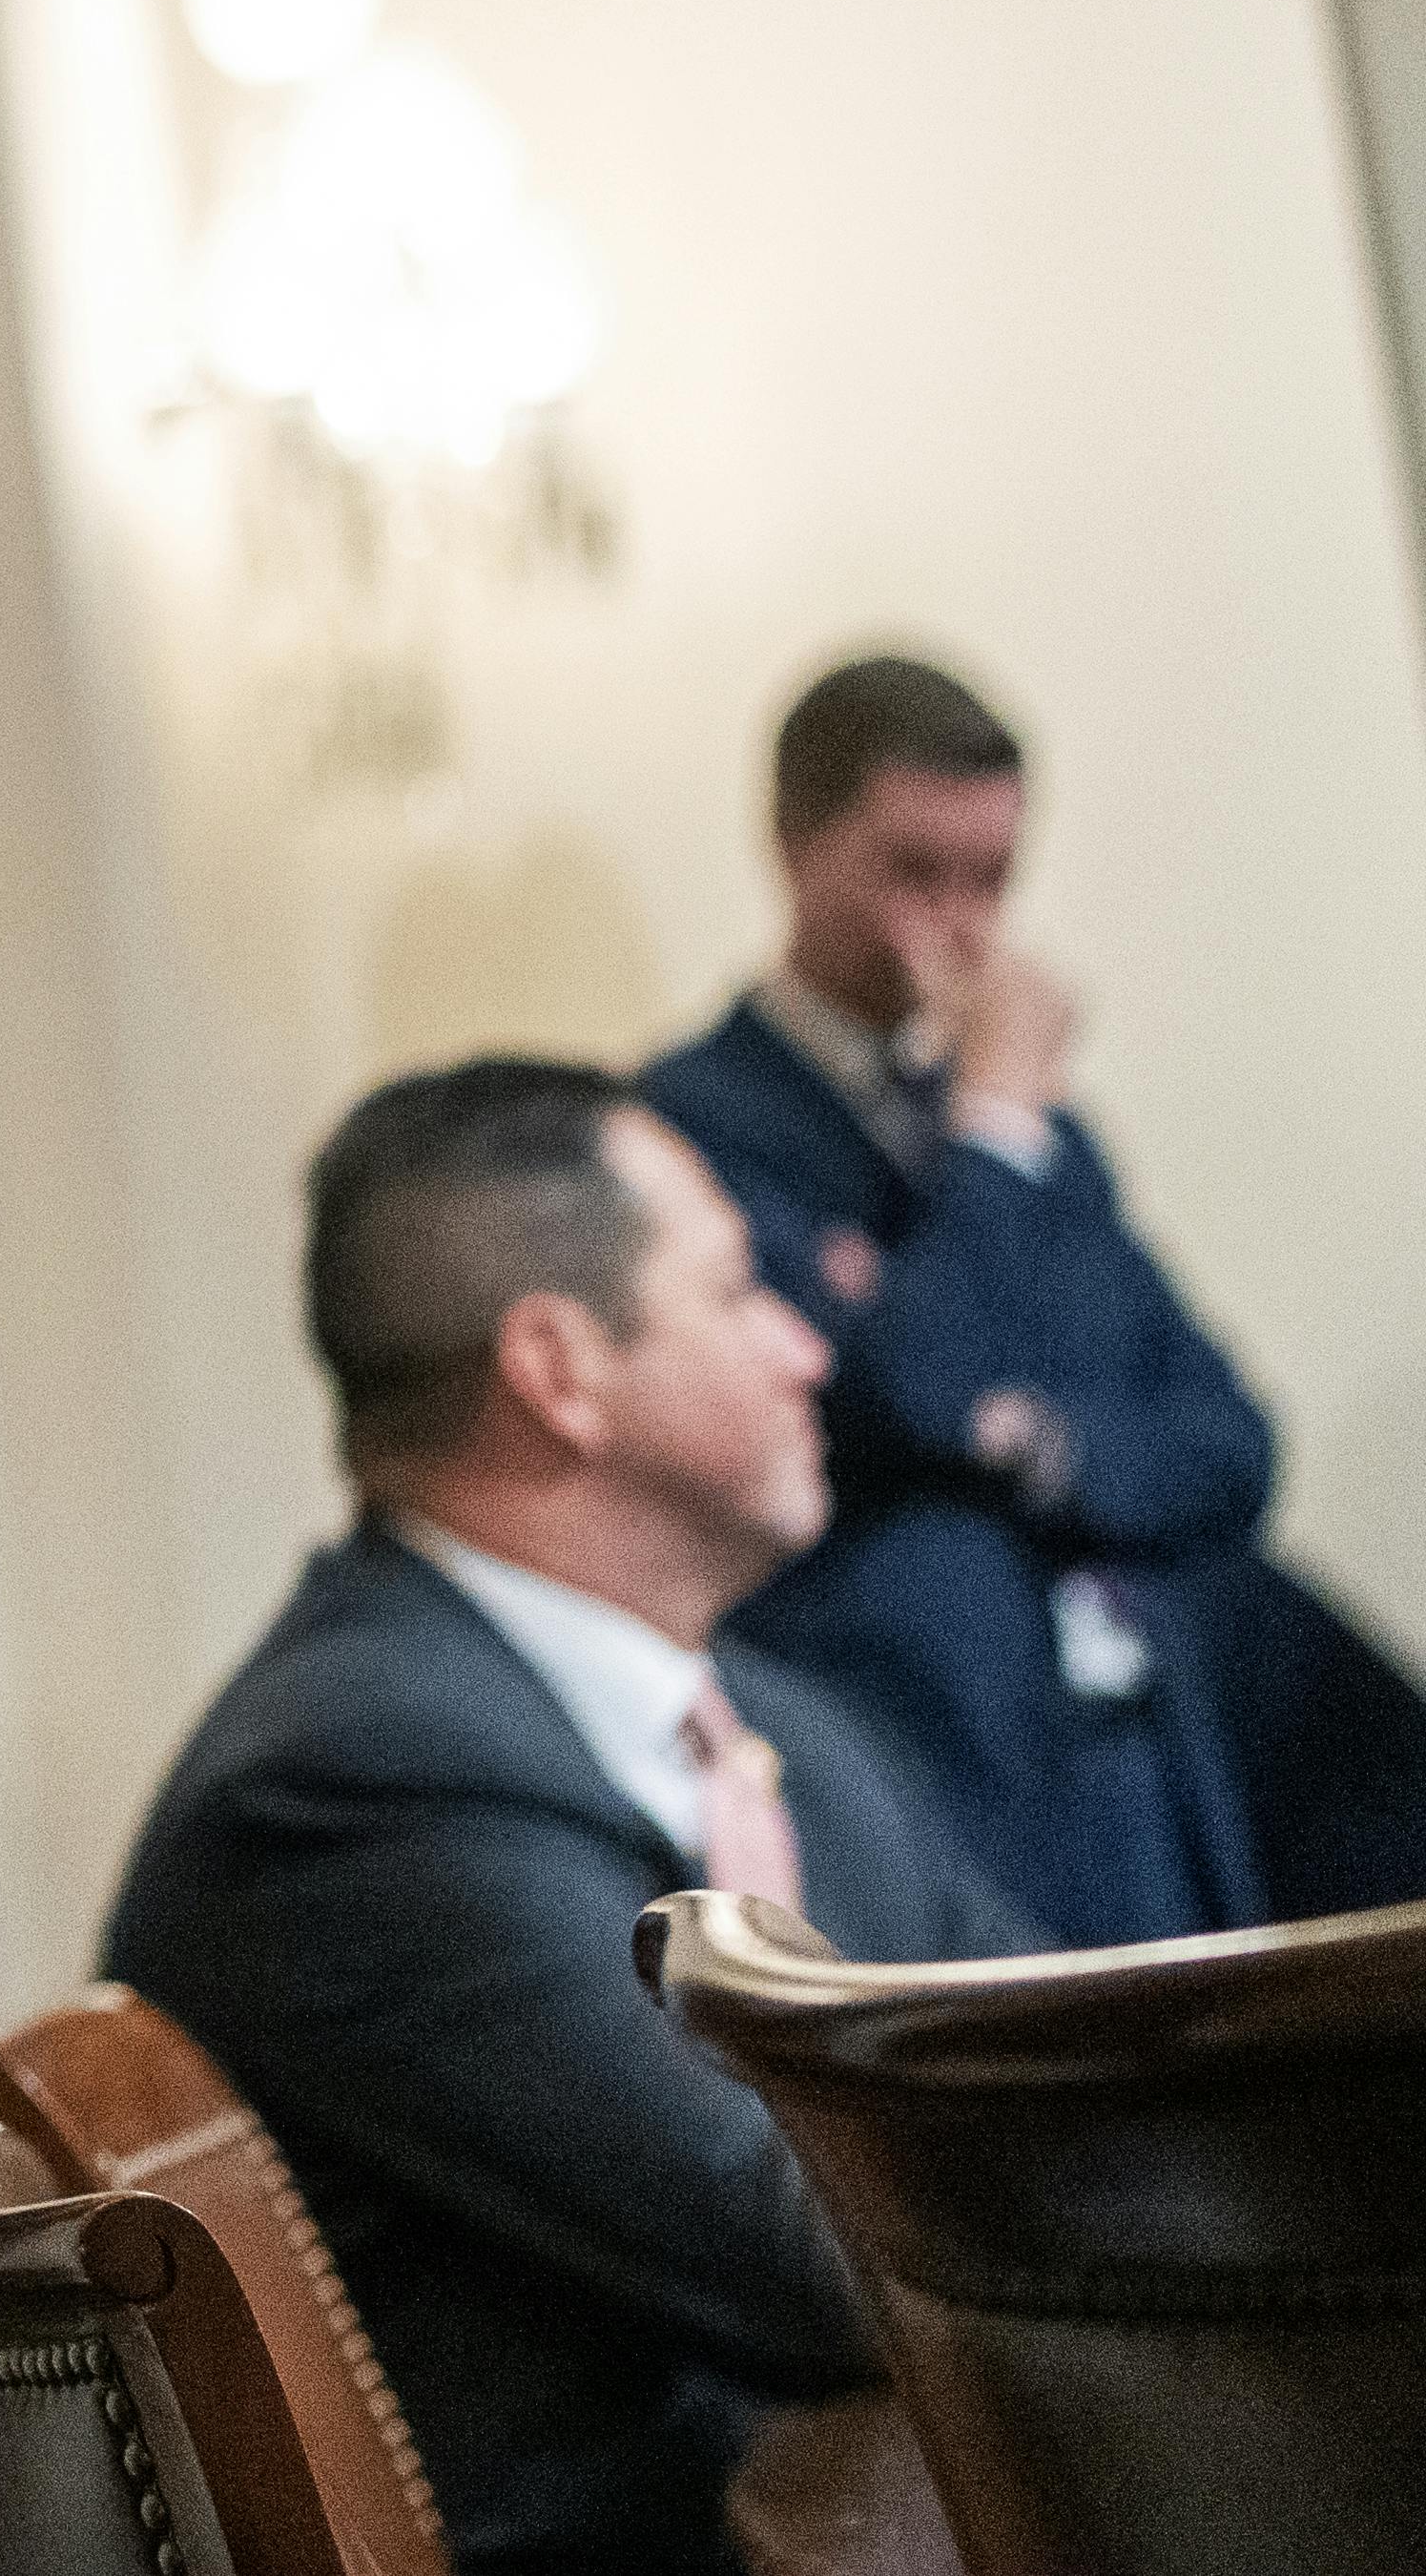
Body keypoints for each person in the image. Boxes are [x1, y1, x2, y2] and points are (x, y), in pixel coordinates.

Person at [103, 1061, 1039, 2576]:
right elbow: (824, 2265)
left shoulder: (784, 1727)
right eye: (739, 1290)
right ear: (558, 1368)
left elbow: (1079, 2057)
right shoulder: (350, 1779)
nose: (809, 1347)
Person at [634, 653, 1418, 1940]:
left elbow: (1226, 1440)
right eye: (912, 871)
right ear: (792, 844)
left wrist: (1038, 1442)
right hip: (935, 1759)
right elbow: (899, 1394)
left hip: (1158, 1756)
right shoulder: (695, 1128)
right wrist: (992, 1125)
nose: (959, 923)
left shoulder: (1048, 1137)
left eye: (990, 877)